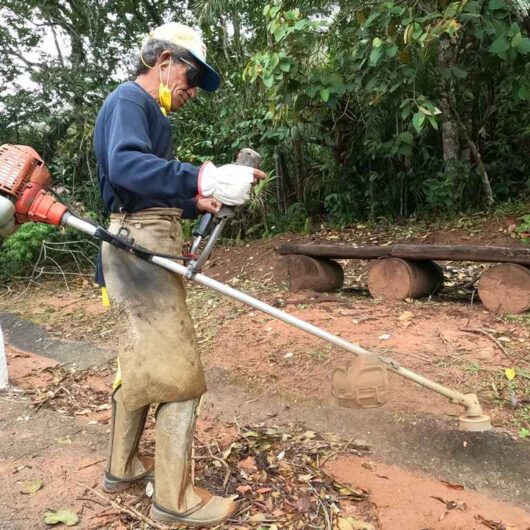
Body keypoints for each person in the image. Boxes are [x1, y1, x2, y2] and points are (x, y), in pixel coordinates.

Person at [93, 22, 265, 527]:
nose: (190, 91)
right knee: (180, 375)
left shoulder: (148, 114)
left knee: (142, 365)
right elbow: (125, 167)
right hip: (139, 248)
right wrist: (202, 174)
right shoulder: (130, 100)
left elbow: (146, 188)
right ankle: (174, 499)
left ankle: (121, 467)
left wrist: (196, 199)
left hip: (140, 241)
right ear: (163, 60)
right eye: (190, 77)